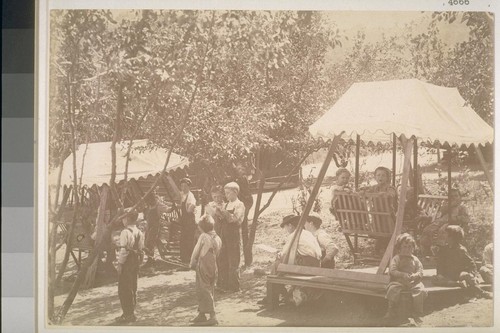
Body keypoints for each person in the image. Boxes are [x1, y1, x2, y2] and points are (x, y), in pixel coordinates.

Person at [258, 214, 322, 306]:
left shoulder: (294, 234)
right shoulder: (307, 233)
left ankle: (272, 297)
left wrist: (279, 255)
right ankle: (281, 293)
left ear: (290, 226)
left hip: (306, 264)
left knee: (276, 265)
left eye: (285, 227)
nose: (286, 230)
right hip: (316, 264)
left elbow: (284, 254)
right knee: (279, 269)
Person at [433, 225, 492, 299]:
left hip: (459, 274)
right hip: (448, 275)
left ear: (452, 237)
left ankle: (482, 292)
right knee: (436, 279)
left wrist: (472, 273)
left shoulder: (461, 250)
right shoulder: (443, 250)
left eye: (446, 234)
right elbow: (440, 264)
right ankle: (459, 284)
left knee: (466, 275)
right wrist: (440, 274)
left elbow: (471, 263)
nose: (444, 236)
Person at [384, 233, 427, 323]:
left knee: (420, 290)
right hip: (399, 281)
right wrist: (402, 274)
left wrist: (416, 275)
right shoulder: (396, 258)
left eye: (410, 247)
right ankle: (391, 309)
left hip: (412, 283)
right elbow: (392, 270)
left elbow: (421, 270)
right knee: (392, 289)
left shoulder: (415, 259)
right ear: (399, 248)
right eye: (404, 247)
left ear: (413, 248)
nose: (407, 249)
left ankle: (417, 312)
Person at [190, 215, 223, 326]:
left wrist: (192, 262)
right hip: (213, 265)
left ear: (202, 227)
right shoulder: (218, 238)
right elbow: (217, 253)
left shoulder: (204, 236)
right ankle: (202, 313)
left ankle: (213, 315)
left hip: (203, 264)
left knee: (202, 288)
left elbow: (196, 250)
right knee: (209, 287)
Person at [420, 189, 471, 256]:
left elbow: (466, 219)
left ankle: (442, 252)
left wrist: (457, 218)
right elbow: (440, 213)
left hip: (453, 224)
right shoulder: (447, 207)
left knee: (443, 231)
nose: (454, 198)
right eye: (452, 196)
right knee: (427, 230)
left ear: (460, 198)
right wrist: (450, 206)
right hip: (440, 222)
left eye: (456, 196)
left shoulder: (462, 208)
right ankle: (427, 251)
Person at [116, 208, 145, 323]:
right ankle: (130, 312)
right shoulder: (139, 232)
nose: (123, 220)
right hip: (135, 261)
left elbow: (124, 251)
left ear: (127, 219)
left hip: (127, 262)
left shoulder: (125, 232)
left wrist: (120, 264)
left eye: (123, 218)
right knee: (133, 286)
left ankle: (128, 314)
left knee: (124, 288)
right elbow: (141, 249)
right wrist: (140, 261)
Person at [216, 182, 246, 292]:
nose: (226, 195)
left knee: (233, 260)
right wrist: (218, 213)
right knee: (223, 259)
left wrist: (224, 212)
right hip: (224, 235)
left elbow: (236, 219)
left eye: (228, 193)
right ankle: (223, 285)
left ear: (235, 192)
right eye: (225, 193)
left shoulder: (239, 205)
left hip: (233, 236)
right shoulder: (226, 204)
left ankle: (233, 287)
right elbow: (222, 219)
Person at [361, 166, 398, 254]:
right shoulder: (374, 188)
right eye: (378, 175)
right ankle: (380, 249)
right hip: (376, 215)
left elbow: (392, 194)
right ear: (375, 177)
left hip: (388, 214)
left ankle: (387, 249)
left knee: (387, 230)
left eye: (383, 175)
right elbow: (366, 193)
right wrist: (363, 192)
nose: (380, 177)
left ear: (388, 178)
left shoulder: (390, 188)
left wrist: (385, 194)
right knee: (378, 230)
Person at [142, 192, 173, 266]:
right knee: (146, 242)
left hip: (155, 227)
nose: (149, 202)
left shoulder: (158, 205)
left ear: (152, 199)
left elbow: (168, 210)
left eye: (150, 201)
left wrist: (173, 207)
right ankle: (150, 259)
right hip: (148, 226)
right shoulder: (149, 205)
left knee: (150, 242)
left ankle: (151, 260)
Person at [179, 178, 197, 264]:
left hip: (189, 220)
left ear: (189, 187)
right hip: (184, 220)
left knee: (189, 239)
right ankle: (183, 258)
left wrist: (191, 207)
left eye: (185, 186)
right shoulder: (181, 194)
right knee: (183, 238)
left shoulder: (191, 196)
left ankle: (189, 259)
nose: (183, 188)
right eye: (182, 186)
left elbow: (191, 207)